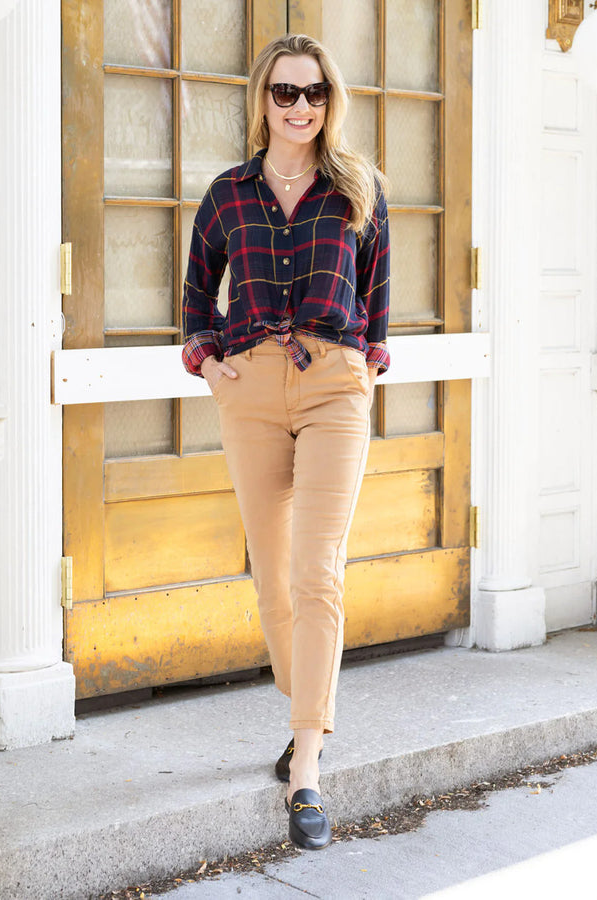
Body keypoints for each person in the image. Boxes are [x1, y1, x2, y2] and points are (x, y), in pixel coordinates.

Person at [182, 33, 390, 851]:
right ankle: (306, 702)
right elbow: (198, 294)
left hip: (335, 385)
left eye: (313, 93)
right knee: (273, 578)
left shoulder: (360, 189)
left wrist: (363, 366)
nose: (299, 107)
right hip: (253, 386)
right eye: (284, 93)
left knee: (317, 570)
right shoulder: (229, 193)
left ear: (330, 100)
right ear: (262, 100)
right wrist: (209, 363)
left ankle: (306, 772)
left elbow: (378, 298)